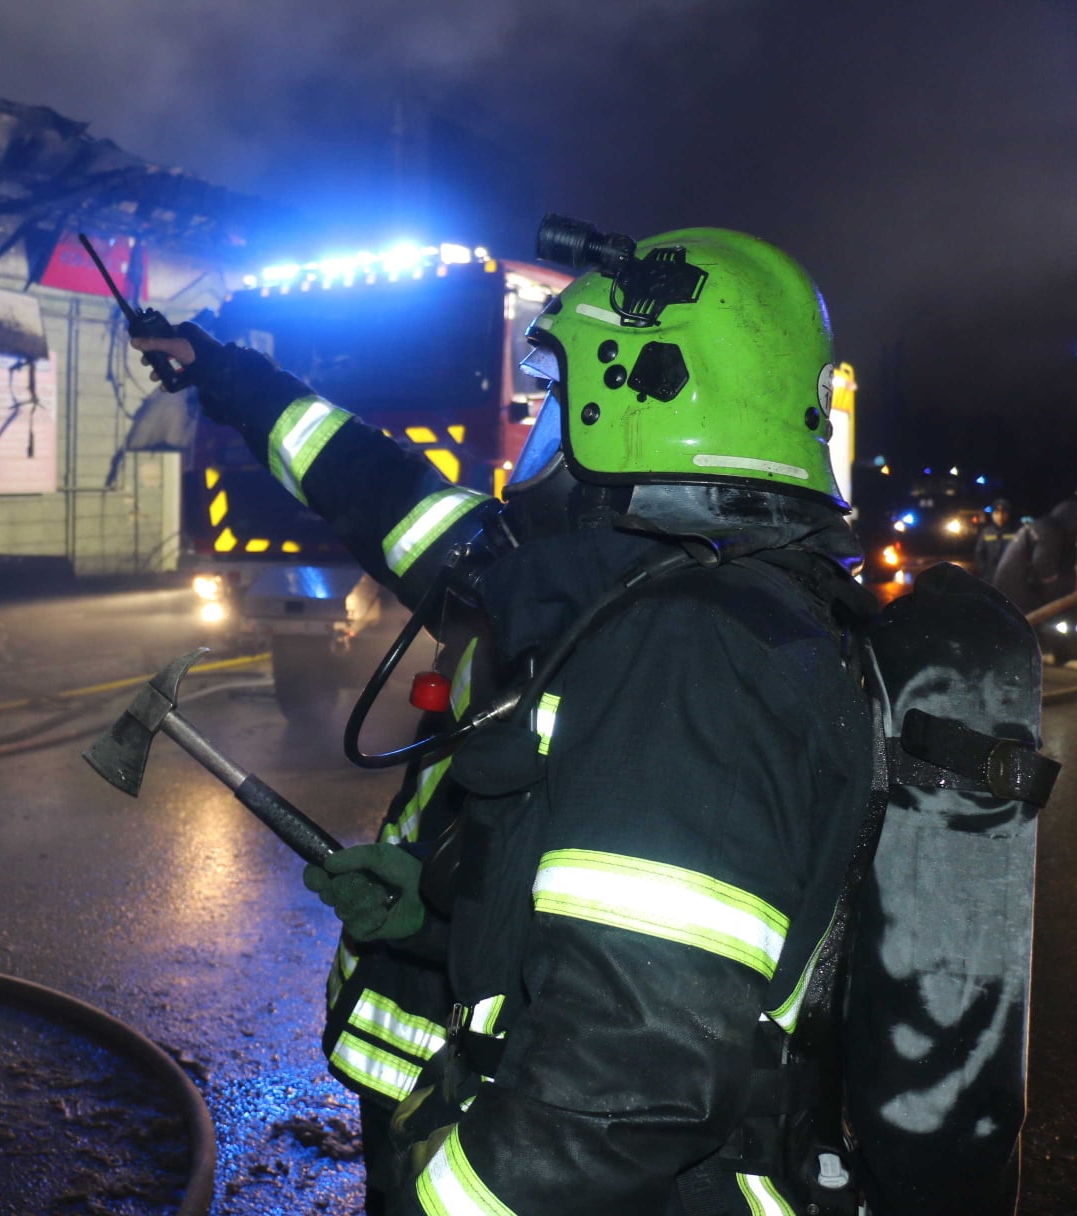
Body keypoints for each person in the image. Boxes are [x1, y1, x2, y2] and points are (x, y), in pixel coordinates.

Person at [136, 220, 880, 1214]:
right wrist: (444, 899)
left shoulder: (690, 653)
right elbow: (373, 486)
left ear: (639, 398)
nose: (534, 434)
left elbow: (632, 1070)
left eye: (554, 402)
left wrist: (446, 1198)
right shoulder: (610, 590)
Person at [992, 492, 1077, 614]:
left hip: (1009, 592)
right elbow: (1044, 567)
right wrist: (1066, 588)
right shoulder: (1051, 531)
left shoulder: (1045, 526)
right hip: (1019, 596)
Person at [971, 497, 1018, 584]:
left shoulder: (1016, 532)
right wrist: (984, 570)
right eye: (997, 513)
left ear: (1008, 514)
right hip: (990, 576)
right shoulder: (986, 532)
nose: (1000, 516)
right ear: (992, 514)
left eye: (1004, 513)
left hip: (1010, 576)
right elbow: (979, 552)